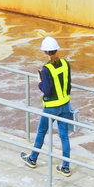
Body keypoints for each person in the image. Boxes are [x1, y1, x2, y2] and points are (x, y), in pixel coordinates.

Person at [22, 36, 73, 177]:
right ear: (56, 50)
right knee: (64, 136)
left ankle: (32, 158)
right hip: (65, 105)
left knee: (41, 132)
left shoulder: (46, 69)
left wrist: (40, 82)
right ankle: (66, 167)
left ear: (45, 52)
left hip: (51, 107)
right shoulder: (65, 63)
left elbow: (47, 90)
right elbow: (68, 85)